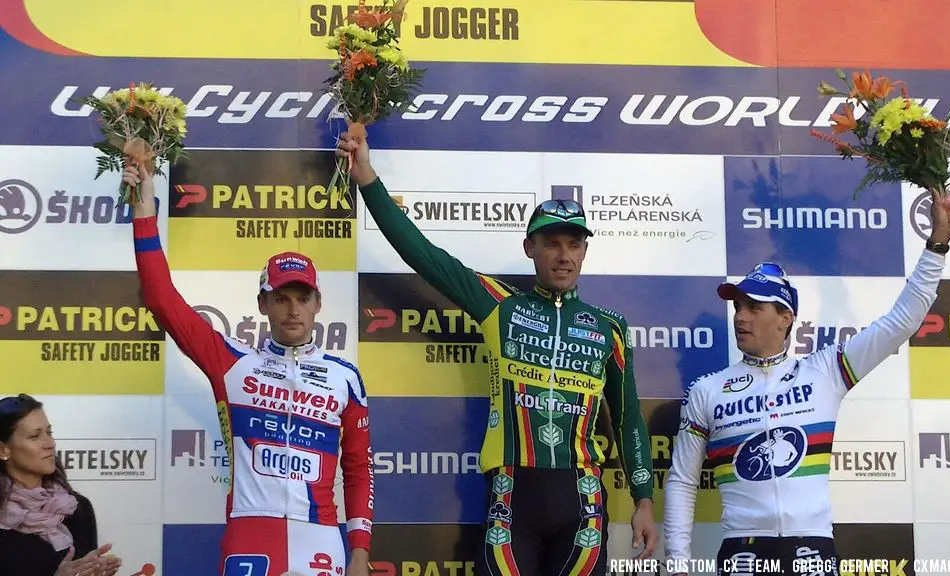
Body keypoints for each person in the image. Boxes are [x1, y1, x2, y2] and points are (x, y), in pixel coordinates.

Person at [335, 133, 658, 575]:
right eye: (552, 244)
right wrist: (367, 178)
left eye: (574, 245)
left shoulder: (609, 327)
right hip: (511, 495)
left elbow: (627, 419)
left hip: (582, 498)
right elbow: (423, 255)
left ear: (585, 251)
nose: (564, 256)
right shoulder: (500, 306)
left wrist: (643, 500)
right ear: (530, 248)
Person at [662, 187, 950, 576]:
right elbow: (683, 481)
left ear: (786, 317)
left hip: (812, 548)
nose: (741, 316)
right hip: (742, 552)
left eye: (755, 306)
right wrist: (678, 566)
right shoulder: (707, 390)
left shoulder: (825, 370)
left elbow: (901, 322)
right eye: (738, 306)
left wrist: (937, 245)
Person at [122, 164, 374, 576]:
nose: (293, 310)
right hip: (251, 529)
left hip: (321, 536)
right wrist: (144, 204)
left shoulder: (344, 377)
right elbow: (161, 298)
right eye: (281, 298)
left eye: (303, 298)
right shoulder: (233, 362)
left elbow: (358, 466)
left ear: (317, 304)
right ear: (263, 304)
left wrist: (360, 549)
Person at [0, 393, 122, 576]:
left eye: (49, 432)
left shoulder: (78, 508)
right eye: (35, 436)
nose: (50, 443)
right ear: (3, 450)